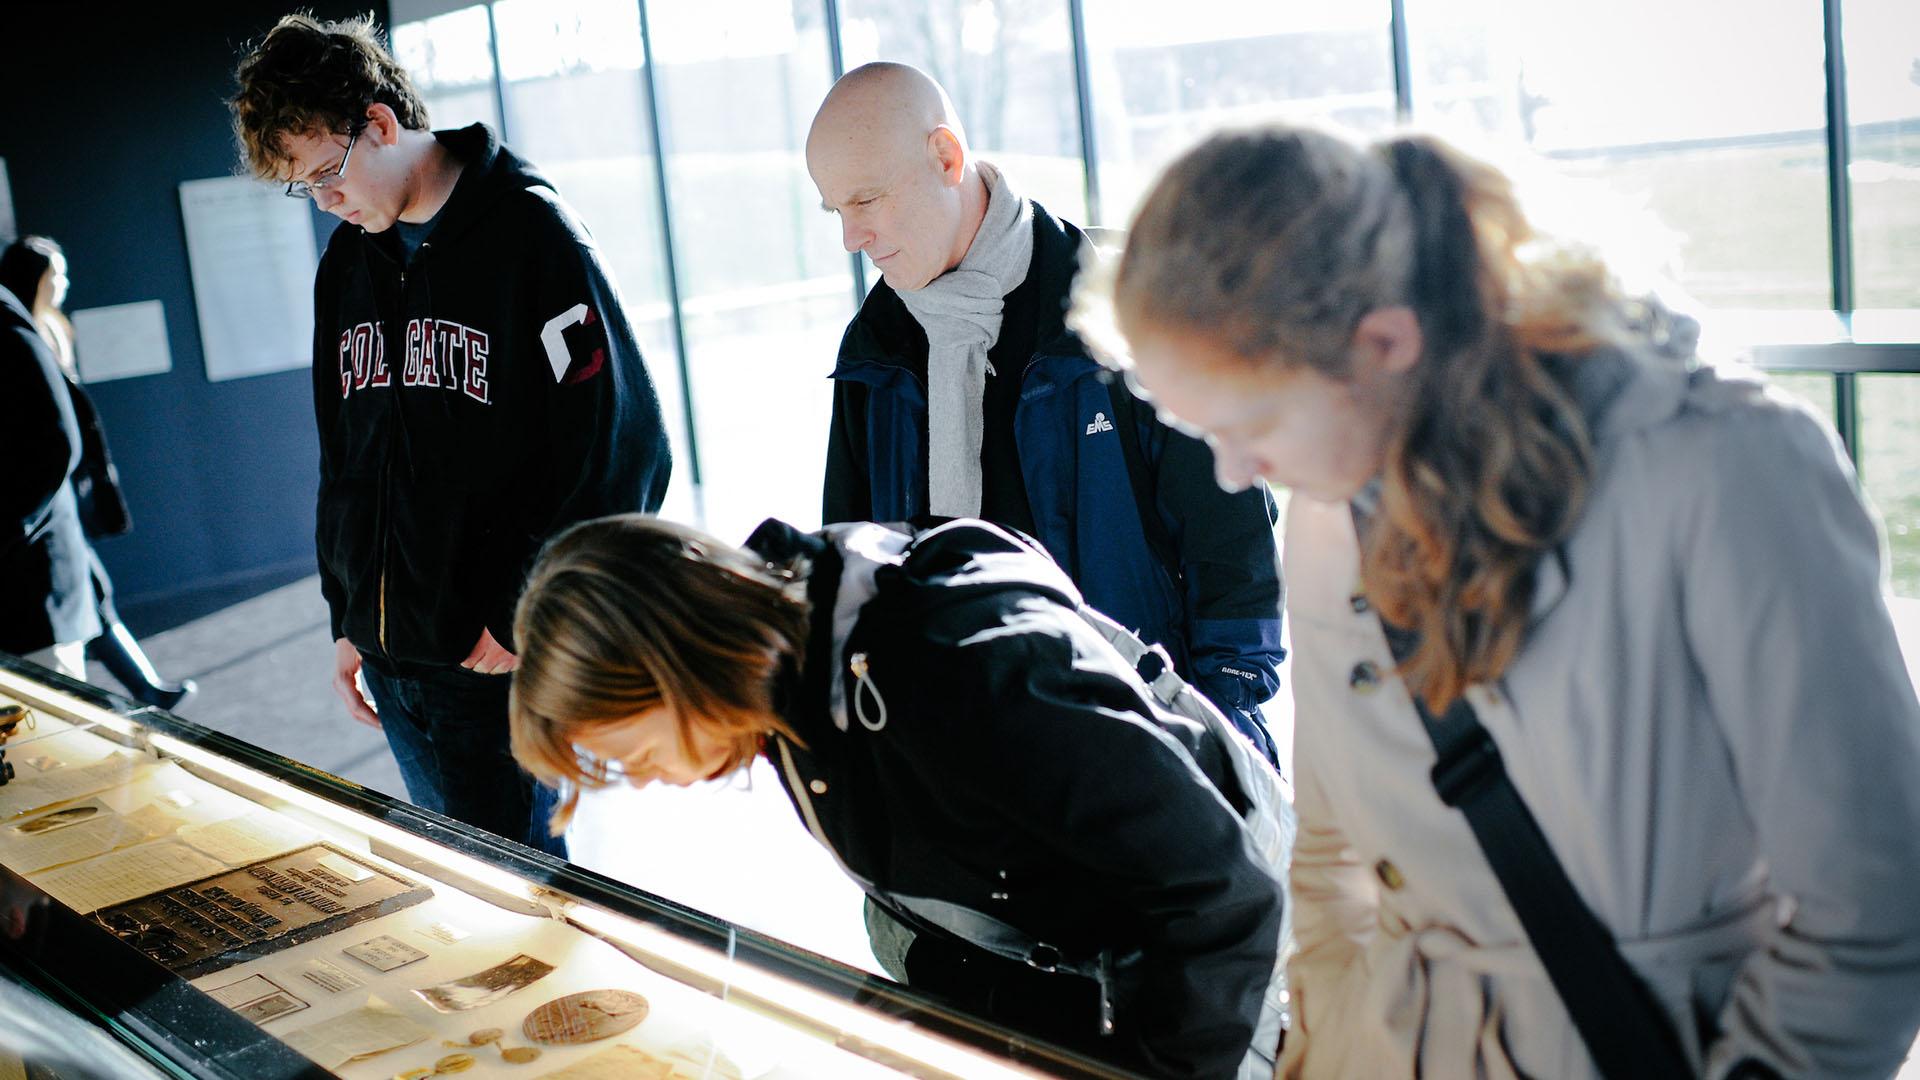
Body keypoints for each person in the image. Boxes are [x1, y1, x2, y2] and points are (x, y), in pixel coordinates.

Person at [1072, 122, 1920, 1077]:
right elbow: (1331, 852)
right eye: (1203, 431)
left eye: (1253, 424)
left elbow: (1875, 910)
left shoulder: (1730, 469)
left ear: (1385, 343)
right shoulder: (1327, 510)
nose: (1233, 474)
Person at [508, 513, 1287, 1078]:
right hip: (1092, 982)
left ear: (679, 663)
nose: (651, 781)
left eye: (637, 753)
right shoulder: (791, 674)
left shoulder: (961, 668)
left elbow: (1220, 897)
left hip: (1243, 994)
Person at [229, 13, 672, 857]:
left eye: (328, 173)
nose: (325, 201)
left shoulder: (531, 237)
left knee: (534, 899)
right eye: (306, 188)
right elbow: (344, 453)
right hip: (395, 658)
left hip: (498, 660)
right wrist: (347, 614)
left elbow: (625, 448)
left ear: (382, 125)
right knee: (466, 891)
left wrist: (520, 616)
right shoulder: (349, 263)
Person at [806, 63, 1287, 763]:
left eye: (867, 200)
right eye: (836, 211)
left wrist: (1220, 723)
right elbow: (849, 569)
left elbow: (1232, 534)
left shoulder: (1125, 301)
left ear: (946, 156)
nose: (852, 237)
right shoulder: (876, 349)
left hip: (1146, 744)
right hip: (959, 759)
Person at [0, 236, 195, 709]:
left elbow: (57, 435)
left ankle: (137, 692)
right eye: (57, 273)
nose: (64, 282)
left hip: (47, 515)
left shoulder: (28, 328)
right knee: (92, 600)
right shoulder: (24, 324)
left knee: (79, 624)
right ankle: (141, 690)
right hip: (48, 515)